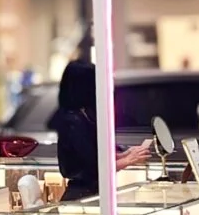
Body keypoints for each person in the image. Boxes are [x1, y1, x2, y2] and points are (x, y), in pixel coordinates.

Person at [53, 61, 151, 201]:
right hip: (82, 197)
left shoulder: (82, 115)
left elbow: (94, 159)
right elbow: (92, 168)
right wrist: (126, 160)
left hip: (89, 193)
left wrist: (123, 155)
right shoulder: (73, 121)